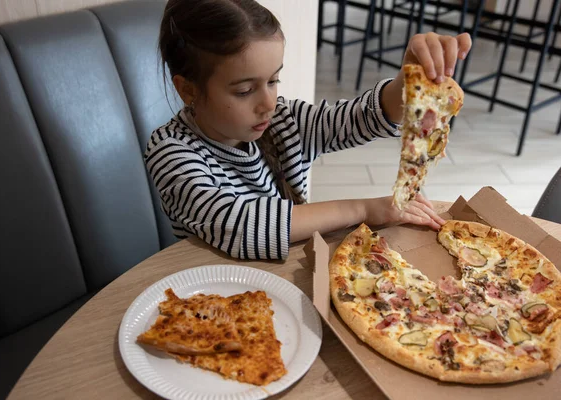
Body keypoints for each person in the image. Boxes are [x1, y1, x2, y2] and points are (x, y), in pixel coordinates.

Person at [144, 0, 472, 260]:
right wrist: (364, 208)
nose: (267, 103)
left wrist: (409, 80)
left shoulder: (284, 119)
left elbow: (357, 119)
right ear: (188, 90)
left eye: (274, 80)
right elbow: (243, 225)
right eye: (245, 90)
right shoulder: (171, 151)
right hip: (221, 300)